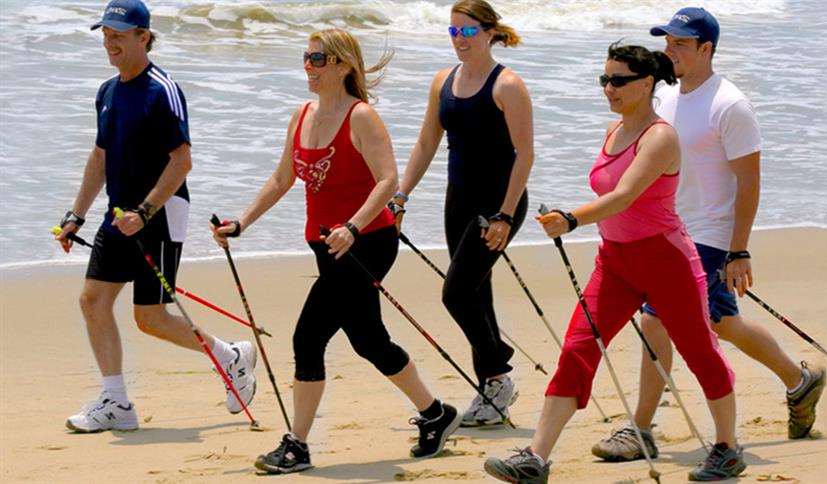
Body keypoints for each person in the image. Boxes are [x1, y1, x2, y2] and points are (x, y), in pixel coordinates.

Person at [484, 43, 746, 483]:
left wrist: (571, 218)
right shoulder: (613, 130)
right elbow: (613, 199)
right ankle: (535, 457)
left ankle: (727, 447)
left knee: (699, 351)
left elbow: (625, 195)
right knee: (577, 349)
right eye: (604, 79)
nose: (609, 88)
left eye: (618, 81)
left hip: (667, 261)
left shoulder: (660, 136)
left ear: (646, 84)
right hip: (615, 262)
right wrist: (575, 218)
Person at [210, 28, 460, 475]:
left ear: (343, 65)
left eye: (318, 58)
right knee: (369, 340)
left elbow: (388, 180)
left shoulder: (361, 117)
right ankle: (436, 413)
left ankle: (297, 446)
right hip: (325, 244)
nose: (308, 65)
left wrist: (352, 226)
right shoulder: (301, 115)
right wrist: (242, 222)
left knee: (308, 337)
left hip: (367, 242)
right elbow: (282, 179)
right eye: (305, 57)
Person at [592, 7, 826, 463]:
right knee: (721, 322)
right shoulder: (666, 98)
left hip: (710, 235)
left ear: (706, 49)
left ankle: (639, 428)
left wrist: (738, 249)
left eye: (680, 43)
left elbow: (749, 182)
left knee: (655, 320)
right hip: (669, 230)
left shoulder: (730, 103)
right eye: (667, 42)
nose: (669, 50)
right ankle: (800, 381)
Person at [54, 0, 257, 433]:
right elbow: (100, 156)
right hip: (118, 214)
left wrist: (146, 212)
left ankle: (231, 357)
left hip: (161, 214)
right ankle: (116, 402)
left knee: (151, 317)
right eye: (105, 34)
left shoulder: (161, 89)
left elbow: (181, 161)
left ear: (143, 37)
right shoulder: (107, 91)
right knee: (93, 299)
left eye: (119, 35)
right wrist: (77, 214)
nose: (109, 42)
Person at [392, 0, 533, 427]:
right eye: (452, 31)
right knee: (476, 293)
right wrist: (400, 197)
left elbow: (525, 154)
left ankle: (498, 370)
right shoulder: (443, 82)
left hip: (499, 203)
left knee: (455, 294)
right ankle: (491, 392)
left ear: (489, 33)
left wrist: (506, 216)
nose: (459, 40)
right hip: (458, 201)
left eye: (467, 32)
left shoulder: (507, 85)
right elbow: (425, 145)